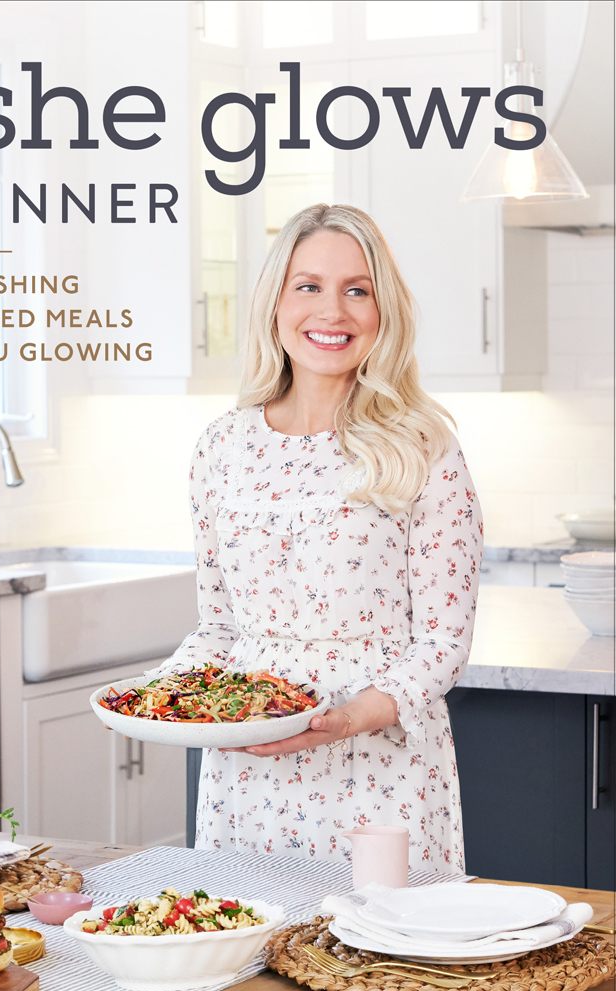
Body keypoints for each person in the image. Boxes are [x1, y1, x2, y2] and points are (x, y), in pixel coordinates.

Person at [164, 203, 483, 874]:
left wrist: (346, 718)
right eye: (308, 286)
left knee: (381, 965)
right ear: (275, 302)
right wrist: (158, 694)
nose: (331, 311)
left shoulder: (423, 447)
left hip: (378, 772)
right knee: (245, 961)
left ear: (382, 311)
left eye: (356, 290)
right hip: (247, 773)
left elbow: (443, 645)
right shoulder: (222, 448)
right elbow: (221, 628)